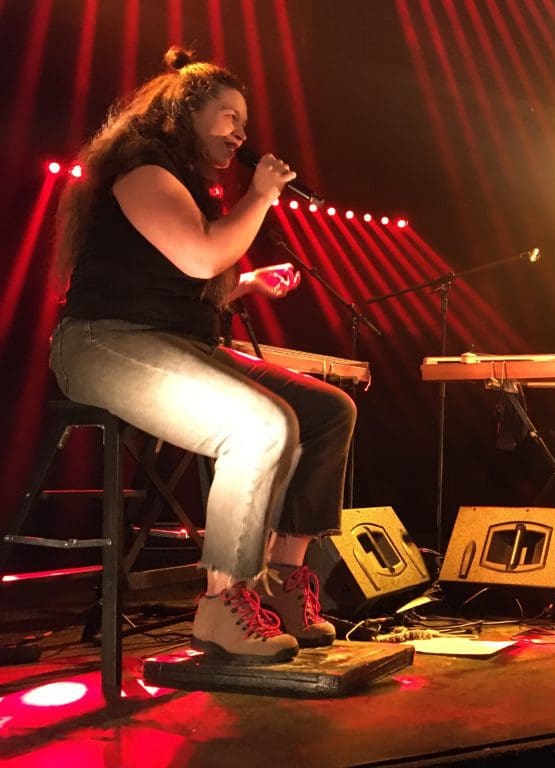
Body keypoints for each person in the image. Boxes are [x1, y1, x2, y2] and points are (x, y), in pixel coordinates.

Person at [50, 46, 357, 663]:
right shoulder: (141, 167)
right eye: (229, 117)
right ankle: (221, 602)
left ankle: (287, 581)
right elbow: (199, 255)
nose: (241, 133)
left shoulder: (188, 184)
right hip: (104, 343)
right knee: (261, 425)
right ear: (185, 112)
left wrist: (246, 284)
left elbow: (189, 275)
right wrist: (262, 195)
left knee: (329, 412)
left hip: (175, 340)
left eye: (245, 121)